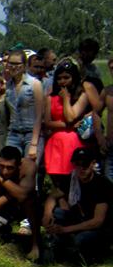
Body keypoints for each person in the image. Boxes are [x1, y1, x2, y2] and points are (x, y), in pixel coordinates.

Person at [43, 147, 112, 264]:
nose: (80, 169)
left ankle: (79, 252)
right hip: (78, 220)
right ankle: (55, 244)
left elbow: (97, 221)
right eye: (77, 164)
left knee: (81, 240)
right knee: (58, 213)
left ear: (93, 164)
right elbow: (52, 196)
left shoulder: (102, 184)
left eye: (84, 164)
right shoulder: (72, 179)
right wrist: (47, 214)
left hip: (98, 228)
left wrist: (65, 230)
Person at [0, 146, 40, 260]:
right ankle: (3, 232)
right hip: (3, 209)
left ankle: (36, 244)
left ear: (18, 165)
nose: (4, 171)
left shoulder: (28, 166)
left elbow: (24, 197)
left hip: (24, 208)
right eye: (2, 166)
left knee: (31, 201)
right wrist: (13, 193)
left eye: (10, 168)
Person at [44, 60, 90, 194]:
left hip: (73, 142)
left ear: (74, 78)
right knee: (58, 181)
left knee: (73, 179)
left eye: (66, 78)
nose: (62, 81)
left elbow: (70, 115)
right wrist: (68, 125)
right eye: (59, 78)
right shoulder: (50, 98)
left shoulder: (82, 96)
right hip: (55, 143)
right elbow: (47, 122)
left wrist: (66, 100)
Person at [5, 49, 45, 164]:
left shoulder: (34, 84)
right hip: (13, 133)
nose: (13, 67)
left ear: (24, 65)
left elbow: (39, 115)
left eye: (17, 64)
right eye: (11, 63)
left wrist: (34, 143)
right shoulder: (8, 85)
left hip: (31, 134)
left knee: (30, 171)